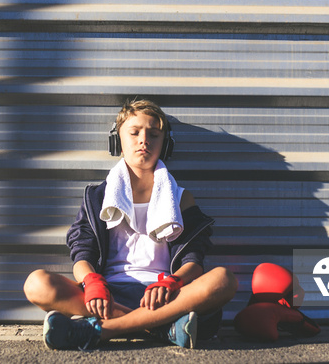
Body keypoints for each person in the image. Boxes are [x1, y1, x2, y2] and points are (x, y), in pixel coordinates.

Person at [23, 99, 238, 350]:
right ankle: (161, 328)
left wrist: (171, 283)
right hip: (107, 296)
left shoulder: (181, 199)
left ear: (165, 145)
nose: (143, 140)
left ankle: (100, 330)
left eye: (153, 135)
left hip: (165, 297)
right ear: (118, 142)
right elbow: (82, 252)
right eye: (134, 132)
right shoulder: (96, 197)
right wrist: (92, 282)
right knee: (36, 283)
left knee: (224, 280)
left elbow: (194, 259)